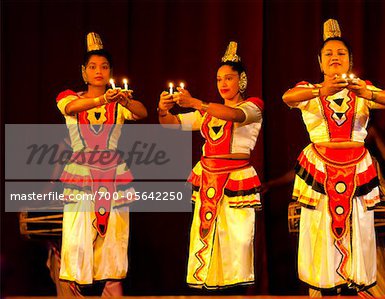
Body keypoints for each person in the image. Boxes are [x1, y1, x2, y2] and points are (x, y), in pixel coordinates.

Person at [282, 19, 385, 296]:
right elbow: (287, 97)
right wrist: (321, 90)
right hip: (320, 169)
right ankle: (321, 289)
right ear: (320, 63)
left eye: (341, 54)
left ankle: (362, 287)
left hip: (357, 168)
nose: (335, 58)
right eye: (329, 54)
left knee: (359, 230)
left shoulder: (361, 91)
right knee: (319, 232)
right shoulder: (308, 90)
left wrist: (366, 91)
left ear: (350, 61)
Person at [262, 125, 385, 297]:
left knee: (373, 268)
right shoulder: (322, 130)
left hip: (362, 205)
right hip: (328, 209)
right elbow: (303, 170)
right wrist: (273, 184)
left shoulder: (366, 129)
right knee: (323, 267)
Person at [158, 41, 264, 289]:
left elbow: (236, 116)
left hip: (236, 181)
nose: (223, 84)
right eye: (219, 79)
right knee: (207, 240)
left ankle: (237, 290)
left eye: (229, 78)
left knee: (237, 242)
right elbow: (172, 124)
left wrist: (196, 103)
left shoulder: (253, 106)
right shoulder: (207, 113)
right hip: (208, 180)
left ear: (242, 80)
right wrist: (163, 110)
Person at [56, 32, 147, 296]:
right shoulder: (70, 97)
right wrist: (100, 100)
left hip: (113, 174)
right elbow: (71, 108)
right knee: (79, 239)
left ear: (110, 72)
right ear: (84, 72)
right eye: (93, 67)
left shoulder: (119, 103)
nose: (99, 71)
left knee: (109, 242)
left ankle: (101, 288)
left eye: (104, 67)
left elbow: (142, 113)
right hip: (81, 174)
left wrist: (123, 99)